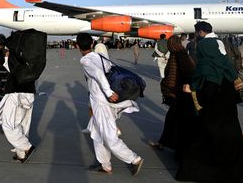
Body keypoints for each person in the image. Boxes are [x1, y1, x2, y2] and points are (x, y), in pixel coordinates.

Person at [176, 21, 243, 183]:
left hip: (212, 116)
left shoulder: (207, 69)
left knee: (204, 141)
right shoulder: (227, 69)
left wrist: (192, 90)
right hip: (228, 115)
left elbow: (208, 94)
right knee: (229, 141)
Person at [76, 33, 144, 176]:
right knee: (96, 133)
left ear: (77, 46)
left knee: (109, 137)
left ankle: (134, 159)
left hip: (102, 103)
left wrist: (108, 92)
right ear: (92, 45)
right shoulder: (100, 57)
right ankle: (105, 165)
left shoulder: (85, 61)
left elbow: (98, 74)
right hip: (102, 101)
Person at [148, 35, 197, 159]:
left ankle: (176, 146)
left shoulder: (180, 55)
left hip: (179, 94)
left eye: (169, 44)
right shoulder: (179, 54)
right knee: (171, 119)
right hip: (176, 94)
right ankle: (164, 143)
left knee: (177, 120)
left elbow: (187, 73)